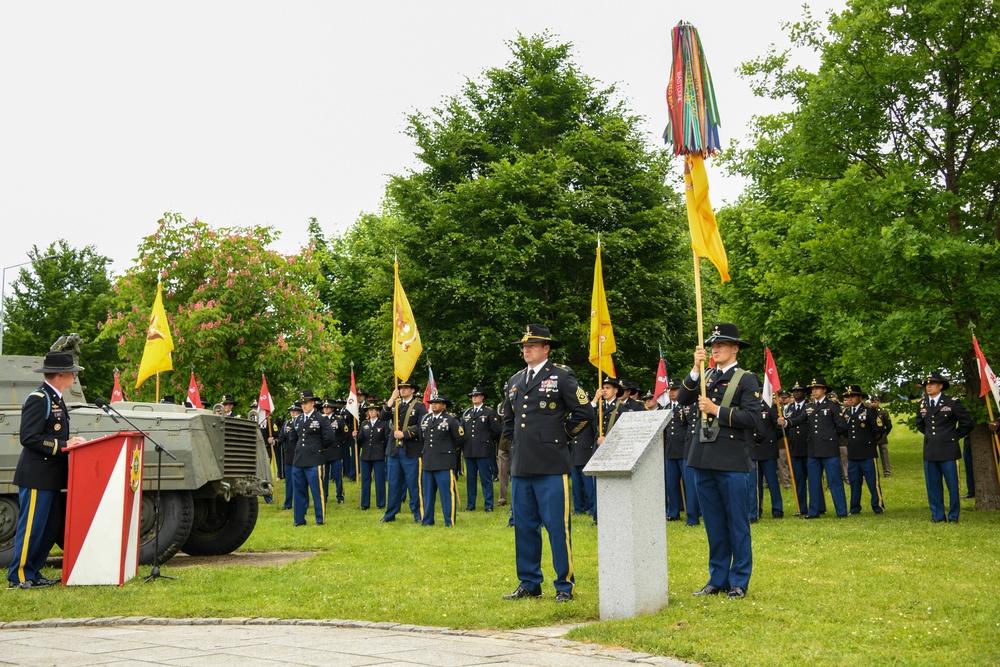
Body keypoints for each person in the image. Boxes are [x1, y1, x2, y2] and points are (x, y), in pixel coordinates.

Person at [501, 324, 594, 603]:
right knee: (524, 527)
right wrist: (516, 443)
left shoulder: (561, 376)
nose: (526, 349)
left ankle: (564, 584)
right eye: (524, 346)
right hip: (522, 466)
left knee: (557, 527)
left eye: (533, 345)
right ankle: (529, 582)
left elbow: (584, 411)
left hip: (552, 465)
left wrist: (563, 436)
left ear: (546, 349)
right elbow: (508, 420)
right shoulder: (515, 379)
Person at [677, 323, 762, 600]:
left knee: (737, 522)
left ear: (735, 348)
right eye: (713, 345)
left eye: (721, 345)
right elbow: (683, 398)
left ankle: (739, 580)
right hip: (703, 457)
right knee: (713, 523)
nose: (715, 349)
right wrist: (694, 368)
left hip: (732, 459)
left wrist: (717, 410)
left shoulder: (746, 379)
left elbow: (752, 419)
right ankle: (718, 578)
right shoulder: (706, 374)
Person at [7, 351, 87, 589]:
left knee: (47, 529)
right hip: (36, 476)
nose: (74, 376)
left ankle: (34, 572)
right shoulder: (39, 398)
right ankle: (19, 577)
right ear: (60, 374)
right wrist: (65, 445)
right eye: (72, 372)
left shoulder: (57, 398)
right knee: (31, 528)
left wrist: (72, 441)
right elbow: (29, 437)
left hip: (52, 477)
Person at [915, 372, 973, 523]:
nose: (928, 386)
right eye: (926, 384)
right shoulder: (922, 404)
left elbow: (967, 423)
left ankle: (953, 516)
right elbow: (920, 425)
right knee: (933, 486)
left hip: (948, 451)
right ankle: (937, 515)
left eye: (932, 383)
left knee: (953, 485)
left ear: (940, 386)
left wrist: (953, 437)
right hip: (930, 450)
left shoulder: (952, 402)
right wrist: (930, 438)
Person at [787, 377, 848, 519]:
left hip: (829, 449)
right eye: (812, 389)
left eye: (817, 388)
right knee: (813, 482)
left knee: (834, 481)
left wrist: (829, 437)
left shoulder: (832, 406)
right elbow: (800, 419)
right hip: (813, 449)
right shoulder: (810, 407)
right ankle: (813, 511)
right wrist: (786, 422)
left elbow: (842, 426)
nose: (814, 391)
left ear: (824, 390)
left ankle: (841, 511)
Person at [380, 380, 426, 523]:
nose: (403, 390)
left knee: (413, 484)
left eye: (406, 387)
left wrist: (405, 434)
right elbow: (383, 417)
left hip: (411, 450)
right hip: (394, 449)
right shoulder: (395, 404)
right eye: (401, 388)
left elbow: (422, 427)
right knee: (393, 483)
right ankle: (390, 514)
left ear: (413, 390)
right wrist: (391, 400)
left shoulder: (419, 406)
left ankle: (418, 514)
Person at [291, 390, 336, 526]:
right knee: (298, 492)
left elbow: (329, 438)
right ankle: (299, 520)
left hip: (314, 460)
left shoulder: (320, 418)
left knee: (317, 491)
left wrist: (318, 449)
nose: (303, 406)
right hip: (299, 460)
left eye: (306, 403)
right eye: (302, 403)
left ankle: (319, 519)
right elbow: (293, 438)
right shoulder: (298, 419)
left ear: (312, 403)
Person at [421, 395, 464, 526]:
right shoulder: (426, 419)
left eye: (437, 403)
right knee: (428, 495)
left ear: (444, 405)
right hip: (428, 461)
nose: (433, 405)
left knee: (446, 494)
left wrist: (449, 451)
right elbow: (422, 437)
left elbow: (460, 439)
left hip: (444, 462)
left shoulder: (451, 420)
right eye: (432, 403)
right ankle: (427, 521)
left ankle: (449, 521)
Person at [842, 386, 886, 515]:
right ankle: (855, 508)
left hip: (867, 452)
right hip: (853, 453)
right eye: (848, 397)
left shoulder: (869, 411)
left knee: (873, 482)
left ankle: (878, 506)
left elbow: (879, 430)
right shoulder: (846, 413)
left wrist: (869, 442)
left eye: (853, 396)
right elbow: (844, 431)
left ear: (860, 397)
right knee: (854, 482)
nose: (850, 399)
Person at [462, 387, 501, 512]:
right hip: (469, 450)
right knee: (470, 479)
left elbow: (496, 431)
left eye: (477, 395)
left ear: (482, 397)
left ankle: (488, 505)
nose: (474, 397)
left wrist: (487, 442)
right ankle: (470, 504)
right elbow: (462, 431)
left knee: (486, 479)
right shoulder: (467, 413)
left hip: (484, 451)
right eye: (473, 396)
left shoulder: (489, 412)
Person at [752, 398, 783, 520]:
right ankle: (756, 509)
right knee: (756, 483)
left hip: (768, 450)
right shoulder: (750, 405)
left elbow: (778, 429)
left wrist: (771, 441)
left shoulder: (770, 407)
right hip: (754, 450)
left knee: (772, 482)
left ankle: (777, 509)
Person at [663, 379, 688, 522]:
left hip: (684, 449)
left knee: (688, 483)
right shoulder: (665, 408)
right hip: (670, 450)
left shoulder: (686, 406)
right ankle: (673, 512)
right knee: (671, 484)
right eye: (670, 390)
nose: (672, 392)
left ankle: (692, 510)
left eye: (675, 389)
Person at [357, 401, 389, 510]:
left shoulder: (383, 424)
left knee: (380, 479)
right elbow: (361, 439)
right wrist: (355, 436)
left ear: (377, 412)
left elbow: (386, 439)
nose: (371, 412)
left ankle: (381, 503)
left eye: (374, 410)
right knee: (365, 479)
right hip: (366, 455)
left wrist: (382, 450)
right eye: (369, 410)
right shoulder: (364, 424)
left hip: (378, 454)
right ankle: (365, 503)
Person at [278, 402, 302, 510]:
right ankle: (288, 503)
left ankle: (301, 503)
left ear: (299, 411)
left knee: (300, 481)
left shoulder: (302, 423)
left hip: (300, 455)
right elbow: (281, 438)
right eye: (291, 411)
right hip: (289, 456)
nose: (292, 412)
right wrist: (274, 441)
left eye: (295, 411)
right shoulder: (286, 424)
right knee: (289, 481)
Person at [870, 395, 893, 476]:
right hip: (871, 437)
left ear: (878, 402)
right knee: (871, 455)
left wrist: (885, 434)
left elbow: (889, 425)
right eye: (872, 402)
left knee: (884, 454)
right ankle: (874, 472)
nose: (873, 404)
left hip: (882, 437)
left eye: (875, 402)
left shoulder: (883, 412)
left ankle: (887, 472)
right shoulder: (868, 411)